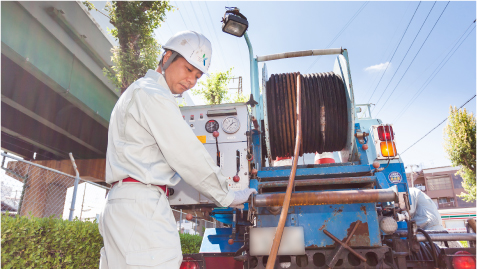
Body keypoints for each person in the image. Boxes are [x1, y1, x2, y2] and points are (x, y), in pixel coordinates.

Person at [98, 30, 257, 269]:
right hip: (142, 206)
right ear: (167, 58)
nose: (192, 80)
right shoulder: (154, 95)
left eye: (198, 75)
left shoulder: (138, 91)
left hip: (122, 204)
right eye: (188, 69)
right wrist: (228, 195)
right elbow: (187, 154)